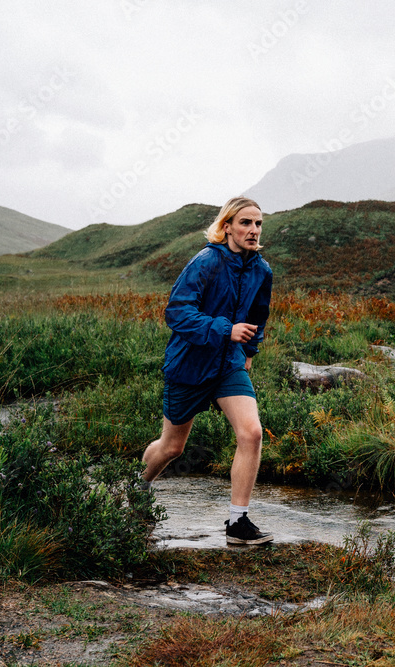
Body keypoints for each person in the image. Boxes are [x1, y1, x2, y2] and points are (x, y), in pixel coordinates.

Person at [141, 196, 274, 545]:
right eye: (245, 222)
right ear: (227, 225)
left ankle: (237, 523)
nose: (253, 230)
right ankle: (138, 487)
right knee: (172, 448)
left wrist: (248, 349)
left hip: (228, 364)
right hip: (189, 364)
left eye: (258, 224)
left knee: (251, 433)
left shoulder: (262, 270)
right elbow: (177, 312)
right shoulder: (206, 261)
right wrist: (223, 329)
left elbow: (258, 315)